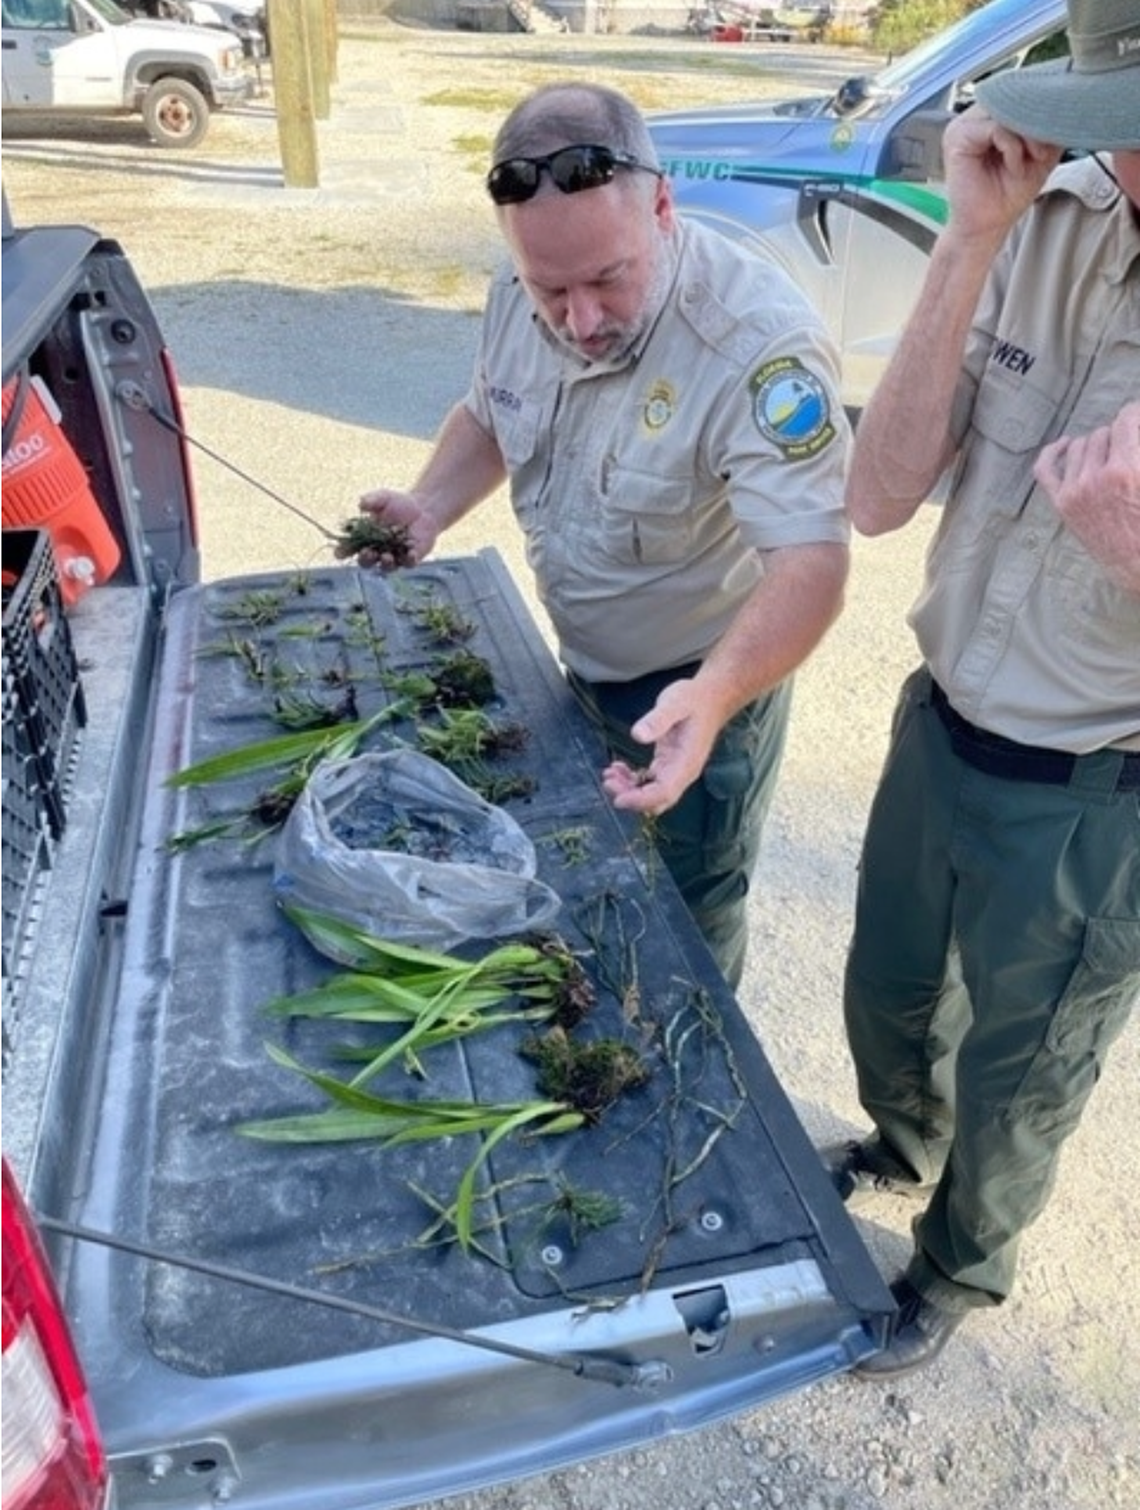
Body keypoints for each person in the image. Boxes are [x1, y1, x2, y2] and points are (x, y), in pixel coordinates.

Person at [356, 82, 850, 988]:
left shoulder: (757, 345)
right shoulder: (520, 286)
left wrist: (716, 695)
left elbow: (811, 563)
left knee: (685, 926)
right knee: (596, 892)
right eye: (551, 289)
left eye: (607, 280)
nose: (579, 321)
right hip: (578, 668)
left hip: (698, 692)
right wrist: (430, 506)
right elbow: (489, 414)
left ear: (662, 207)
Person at [826, 0, 1140, 1378]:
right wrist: (967, 241)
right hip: (942, 715)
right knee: (888, 999)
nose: (1121, 158)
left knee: (1024, 1079)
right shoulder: (1047, 211)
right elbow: (879, 494)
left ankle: (957, 1266)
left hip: (1094, 795)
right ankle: (905, 1142)